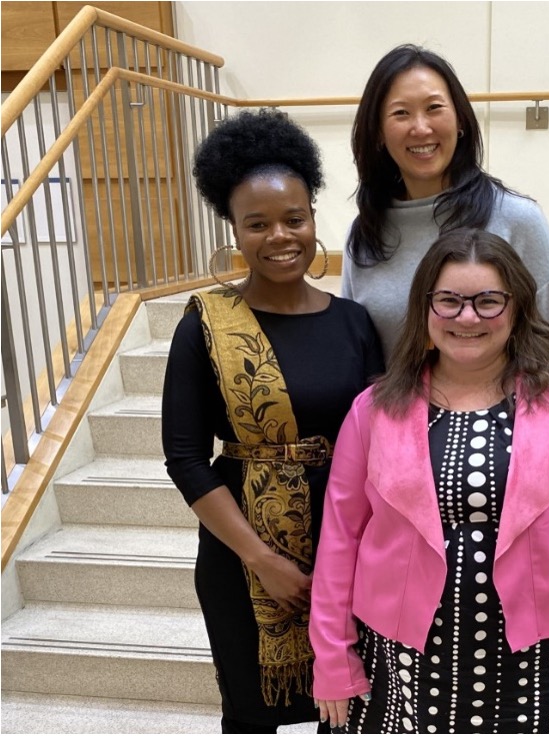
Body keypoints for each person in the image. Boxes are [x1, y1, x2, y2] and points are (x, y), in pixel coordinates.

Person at [309, 229, 549, 734]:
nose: (468, 317)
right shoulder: (374, 410)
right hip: (401, 658)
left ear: (517, 307)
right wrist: (332, 659)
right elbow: (340, 539)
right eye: (449, 301)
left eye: (488, 301)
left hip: (548, 655)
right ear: (424, 308)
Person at [161, 109, 384, 734]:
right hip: (241, 552)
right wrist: (263, 559)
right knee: (253, 711)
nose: (280, 236)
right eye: (257, 224)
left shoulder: (353, 322)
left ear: (314, 216)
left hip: (348, 539)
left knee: (350, 705)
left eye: (295, 218)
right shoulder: (206, 322)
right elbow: (184, 457)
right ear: (235, 232)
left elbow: (383, 441)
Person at [343, 43, 549, 361]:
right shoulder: (365, 232)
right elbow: (359, 357)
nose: (421, 128)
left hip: (505, 408)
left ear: (461, 121)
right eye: (401, 113)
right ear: (379, 134)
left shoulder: (517, 218)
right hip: (397, 408)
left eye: (434, 108)